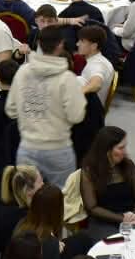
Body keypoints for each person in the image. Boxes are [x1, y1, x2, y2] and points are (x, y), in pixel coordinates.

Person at [7, 24, 86, 184]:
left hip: (27, 147)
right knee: (61, 196)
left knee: (27, 195)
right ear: (60, 45)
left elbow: (11, 110)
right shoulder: (67, 78)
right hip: (58, 148)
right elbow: (76, 116)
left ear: (38, 44)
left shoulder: (23, 72)